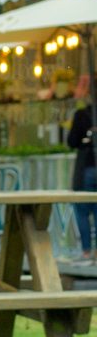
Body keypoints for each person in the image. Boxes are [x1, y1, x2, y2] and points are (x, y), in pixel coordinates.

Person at [67, 102, 97, 261]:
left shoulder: (82, 115)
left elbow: (71, 141)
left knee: (82, 210)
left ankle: (86, 251)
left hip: (86, 167)